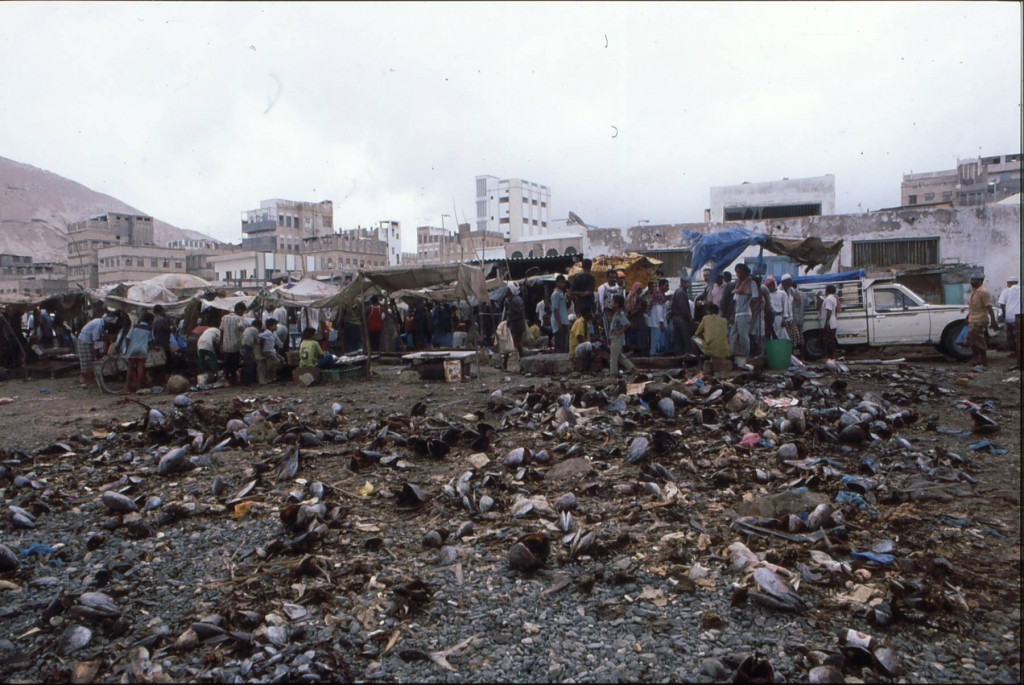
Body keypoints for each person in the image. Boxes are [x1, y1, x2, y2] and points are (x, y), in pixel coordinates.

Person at [966, 274, 999, 371]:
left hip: (980, 319)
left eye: (974, 280)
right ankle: (976, 358)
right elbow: (972, 307)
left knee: (979, 339)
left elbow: (989, 307)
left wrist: (993, 321)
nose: (971, 282)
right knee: (971, 340)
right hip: (973, 318)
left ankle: (984, 361)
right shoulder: (974, 291)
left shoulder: (983, 292)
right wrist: (967, 317)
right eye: (971, 280)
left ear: (980, 281)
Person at [693, 303, 730, 377]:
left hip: (710, 349)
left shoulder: (705, 318)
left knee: (693, 338)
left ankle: (699, 363)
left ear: (708, 311)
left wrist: (704, 336)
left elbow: (697, 333)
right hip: (725, 350)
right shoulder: (724, 320)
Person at [728, 264, 754, 368]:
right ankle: (731, 355)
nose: (738, 274)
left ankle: (746, 357)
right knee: (732, 335)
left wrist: (738, 290)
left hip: (744, 313)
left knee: (743, 336)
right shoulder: (739, 283)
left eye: (740, 272)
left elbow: (743, 291)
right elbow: (735, 297)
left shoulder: (749, 282)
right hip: (737, 313)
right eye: (737, 272)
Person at [124, 311, 154, 393]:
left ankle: (127, 388)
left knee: (130, 369)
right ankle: (138, 387)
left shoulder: (134, 326)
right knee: (140, 368)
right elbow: (151, 341)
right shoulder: (149, 329)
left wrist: (127, 349)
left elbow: (128, 338)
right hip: (142, 349)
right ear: (150, 320)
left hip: (132, 349)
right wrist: (153, 347)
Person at [607, 294, 635, 376]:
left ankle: (613, 373)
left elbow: (628, 324)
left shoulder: (620, 314)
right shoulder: (616, 314)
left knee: (613, 357)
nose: (611, 304)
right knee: (620, 356)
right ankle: (632, 368)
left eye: (612, 302)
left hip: (617, 338)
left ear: (617, 304)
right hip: (614, 337)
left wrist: (621, 331)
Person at [219, 302, 246, 384]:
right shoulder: (238, 319)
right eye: (243, 311)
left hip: (226, 345)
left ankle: (226, 379)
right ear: (239, 309)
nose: (243, 313)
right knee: (234, 364)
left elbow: (221, 331)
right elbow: (242, 329)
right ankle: (233, 379)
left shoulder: (224, 318)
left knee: (226, 363)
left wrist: (221, 343)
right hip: (235, 345)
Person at [502, 282, 526, 371]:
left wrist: (510, 320)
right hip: (517, 326)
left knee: (511, 345)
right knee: (517, 345)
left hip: (517, 326)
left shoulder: (516, 300)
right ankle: (523, 365)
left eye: (508, 290)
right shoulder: (514, 300)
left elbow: (518, 313)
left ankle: (504, 365)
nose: (506, 291)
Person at [76, 315, 106, 386]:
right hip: (84, 341)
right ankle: (88, 379)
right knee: (87, 361)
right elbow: (96, 338)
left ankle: (85, 378)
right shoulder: (99, 324)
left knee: (88, 360)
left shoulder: (99, 321)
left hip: (87, 341)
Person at [669, 274, 695, 355]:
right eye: (687, 282)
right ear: (682, 282)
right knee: (685, 337)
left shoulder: (678, 291)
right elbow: (683, 307)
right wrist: (690, 318)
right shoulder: (681, 292)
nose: (688, 284)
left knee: (678, 339)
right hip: (681, 319)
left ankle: (679, 356)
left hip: (676, 318)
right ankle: (687, 356)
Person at [998, 276, 1020, 363]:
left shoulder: (1006, 291)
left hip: (1010, 316)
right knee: (1019, 335)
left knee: (1011, 336)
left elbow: (1002, 304)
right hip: (1020, 316)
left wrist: (1003, 315)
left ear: (1009, 283)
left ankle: (1014, 352)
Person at [780, 274, 804, 355]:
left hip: (790, 318)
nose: (791, 282)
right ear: (785, 282)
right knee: (785, 339)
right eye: (789, 280)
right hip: (783, 319)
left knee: (794, 339)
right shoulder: (779, 290)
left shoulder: (791, 290)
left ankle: (791, 357)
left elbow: (797, 301)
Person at [597, 268, 620, 339]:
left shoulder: (618, 288)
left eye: (614, 277)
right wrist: (601, 313)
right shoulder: (602, 287)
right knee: (607, 330)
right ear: (607, 278)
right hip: (606, 313)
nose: (613, 279)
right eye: (611, 277)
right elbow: (600, 301)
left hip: (616, 313)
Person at [647, 279, 669, 356]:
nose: (667, 287)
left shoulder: (661, 295)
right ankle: (653, 356)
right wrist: (661, 322)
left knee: (656, 340)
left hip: (657, 322)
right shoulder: (658, 295)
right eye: (666, 285)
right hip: (657, 323)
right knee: (655, 341)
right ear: (661, 286)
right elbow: (659, 310)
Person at [259, 318, 284, 384]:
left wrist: (281, 346)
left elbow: (279, 343)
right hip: (267, 351)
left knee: (282, 360)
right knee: (277, 361)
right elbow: (259, 337)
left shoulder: (274, 334)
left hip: (273, 351)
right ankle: (269, 374)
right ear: (270, 326)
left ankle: (273, 373)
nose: (276, 327)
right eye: (275, 325)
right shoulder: (266, 333)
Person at [819, 284, 841, 359]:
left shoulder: (828, 299)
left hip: (829, 323)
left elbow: (828, 311)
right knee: (831, 341)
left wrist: (826, 323)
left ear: (827, 291)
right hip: (833, 322)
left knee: (826, 341)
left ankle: (827, 357)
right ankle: (831, 357)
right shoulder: (834, 298)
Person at [765, 276, 789, 341]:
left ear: (773, 285)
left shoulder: (782, 293)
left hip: (779, 317)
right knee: (771, 336)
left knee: (781, 335)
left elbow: (785, 307)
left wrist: (785, 320)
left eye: (769, 286)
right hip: (769, 318)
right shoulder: (767, 294)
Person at [550, 275, 570, 353]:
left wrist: (569, 299)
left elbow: (566, 307)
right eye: (561, 282)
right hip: (559, 322)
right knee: (560, 343)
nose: (563, 284)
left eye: (564, 283)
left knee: (565, 343)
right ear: (557, 283)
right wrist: (559, 324)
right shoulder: (555, 294)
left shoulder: (562, 294)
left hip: (564, 321)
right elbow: (555, 309)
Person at [240, 318, 262, 385]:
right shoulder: (255, 330)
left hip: (242, 348)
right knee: (250, 365)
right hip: (248, 348)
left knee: (246, 364)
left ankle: (244, 380)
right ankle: (248, 382)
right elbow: (257, 341)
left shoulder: (246, 329)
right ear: (258, 326)